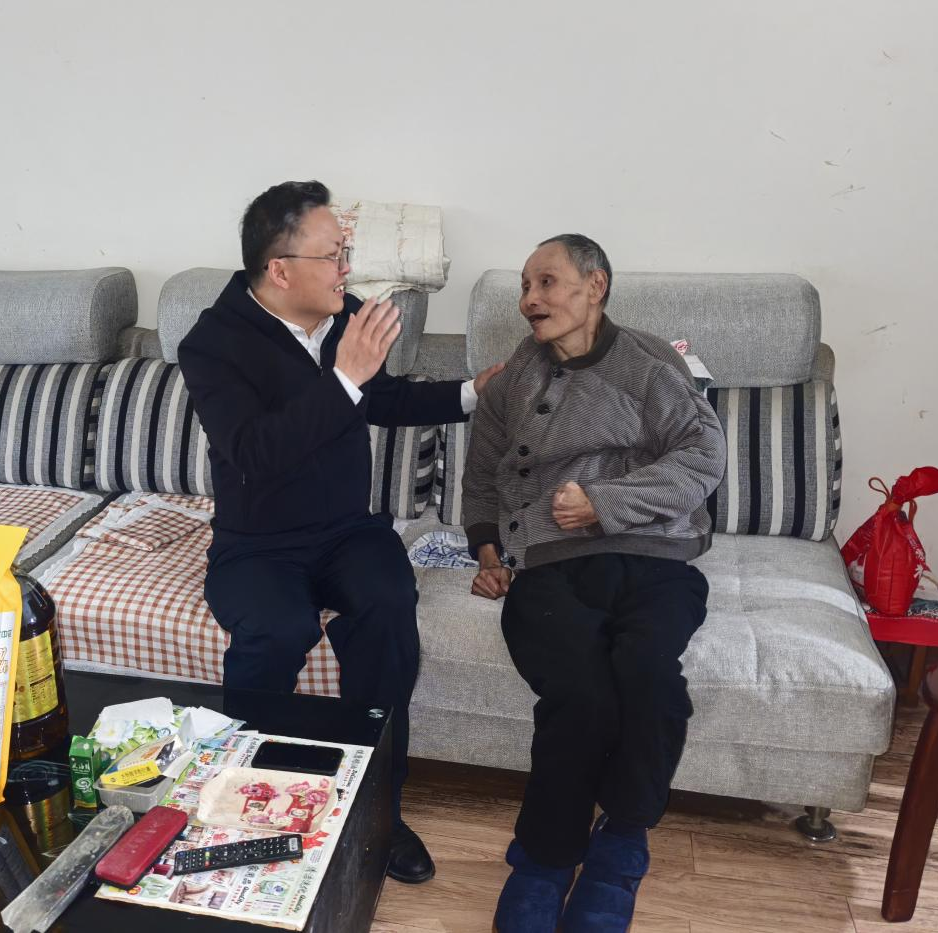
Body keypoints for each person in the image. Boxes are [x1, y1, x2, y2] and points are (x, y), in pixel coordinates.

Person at [178, 180, 504, 883]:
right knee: (277, 629)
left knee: (388, 606)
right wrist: (344, 379)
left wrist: (473, 392)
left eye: (345, 253)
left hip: (346, 529)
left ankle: (377, 807)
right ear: (279, 268)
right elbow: (254, 452)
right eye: (333, 255)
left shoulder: (341, 314)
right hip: (257, 540)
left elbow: (379, 396)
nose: (345, 269)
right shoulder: (212, 344)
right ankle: (251, 794)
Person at [462, 234, 726, 932]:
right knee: (578, 695)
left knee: (649, 679)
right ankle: (545, 857)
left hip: (656, 557)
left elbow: (703, 456)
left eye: (545, 282)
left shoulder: (649, 365)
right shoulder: (514, 379)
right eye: (524, 286)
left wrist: (606, 503)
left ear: (595, 286)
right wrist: (487, 551)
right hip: (549, 560)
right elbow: (482, 472)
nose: (529, 299)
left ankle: (619, 845)